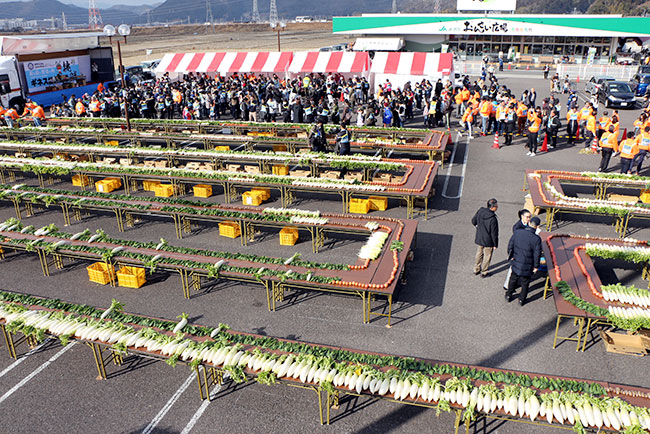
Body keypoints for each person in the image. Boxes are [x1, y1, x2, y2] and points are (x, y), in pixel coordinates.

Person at [505, 216, 542, 306]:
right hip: (528, 265)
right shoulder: (536, 239)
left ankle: (509, 295)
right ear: (537, 226)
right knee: (525, 283)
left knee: (513, 279)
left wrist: (511, 256)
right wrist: (536, 266)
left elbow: (510, 245)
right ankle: (522, 299)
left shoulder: (518, 233)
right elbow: (537, 254)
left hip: (516, 262)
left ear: (529, 223)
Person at [503, 209, 532, 291]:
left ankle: (515, 283)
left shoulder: (528, 224)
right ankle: (507, 285)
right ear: (522, 217)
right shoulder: (517, 227)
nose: (529, 219)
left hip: (525, 249)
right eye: (527, 217)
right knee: (512, 269)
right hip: (518, 250)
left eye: (530, 217)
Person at [471, 198, 499, 278]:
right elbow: (494, 233)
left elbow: (473, 221)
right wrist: (495, 244)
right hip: (488, 240)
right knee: (487, 255)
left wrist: (478, 227)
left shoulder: (480, 211)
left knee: (479, 253)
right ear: (492, 207)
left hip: (480, 237)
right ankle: (484, 271)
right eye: (496, 206)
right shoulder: (493, 219)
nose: (497, 207)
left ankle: (476, 269)